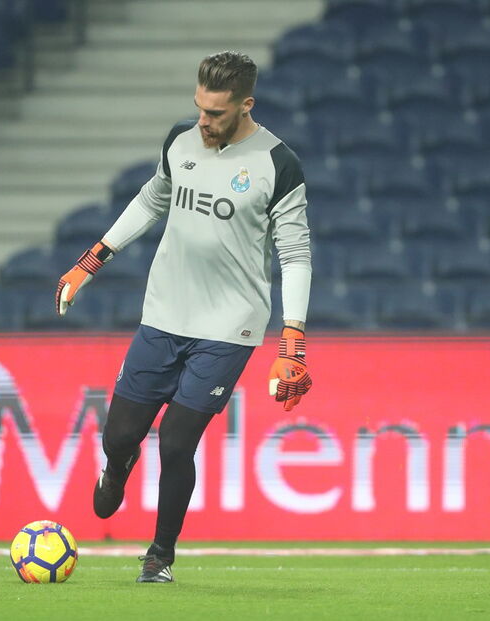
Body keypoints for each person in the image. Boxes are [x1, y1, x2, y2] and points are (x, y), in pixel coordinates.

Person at [55, 52, 313, 583]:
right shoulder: (181, 140)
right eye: (199, 108)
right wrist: (91, 260)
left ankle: (159, 556)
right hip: (164, 313)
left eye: (215, 113)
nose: (203, 120)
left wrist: (293, 342)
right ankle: (118, 464)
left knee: (177, 443)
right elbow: (153, 199)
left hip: (229, 326)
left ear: (246, 106)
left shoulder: (277, 164)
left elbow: (295, 254)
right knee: (120, 436)